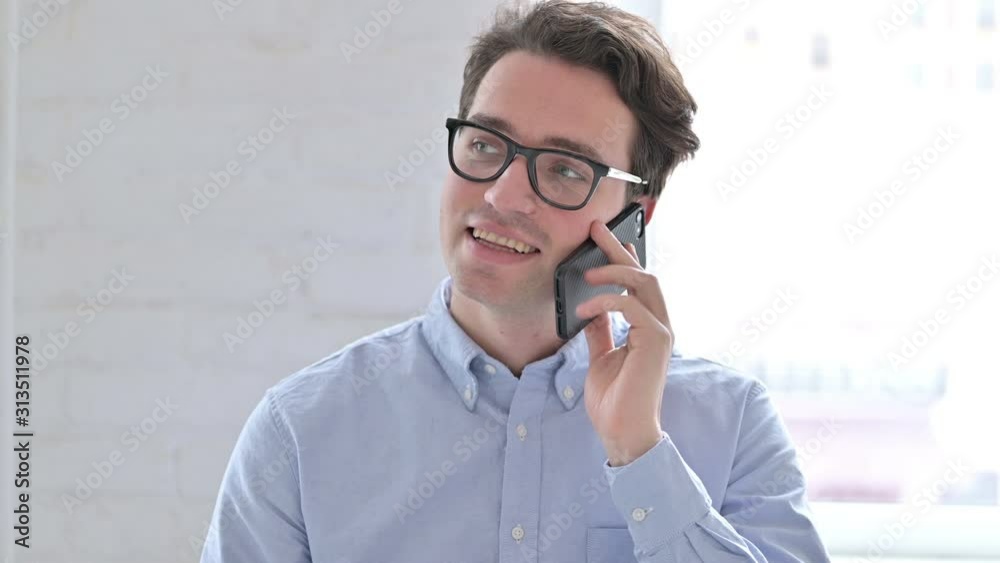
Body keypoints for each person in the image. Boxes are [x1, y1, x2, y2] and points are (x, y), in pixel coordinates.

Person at [200, 1, 830, 561]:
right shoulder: (301, 434)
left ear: (636, 216)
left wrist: (642, 457)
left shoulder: (732, 425)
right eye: (484, 145)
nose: (502, 194)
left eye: (562, 169)